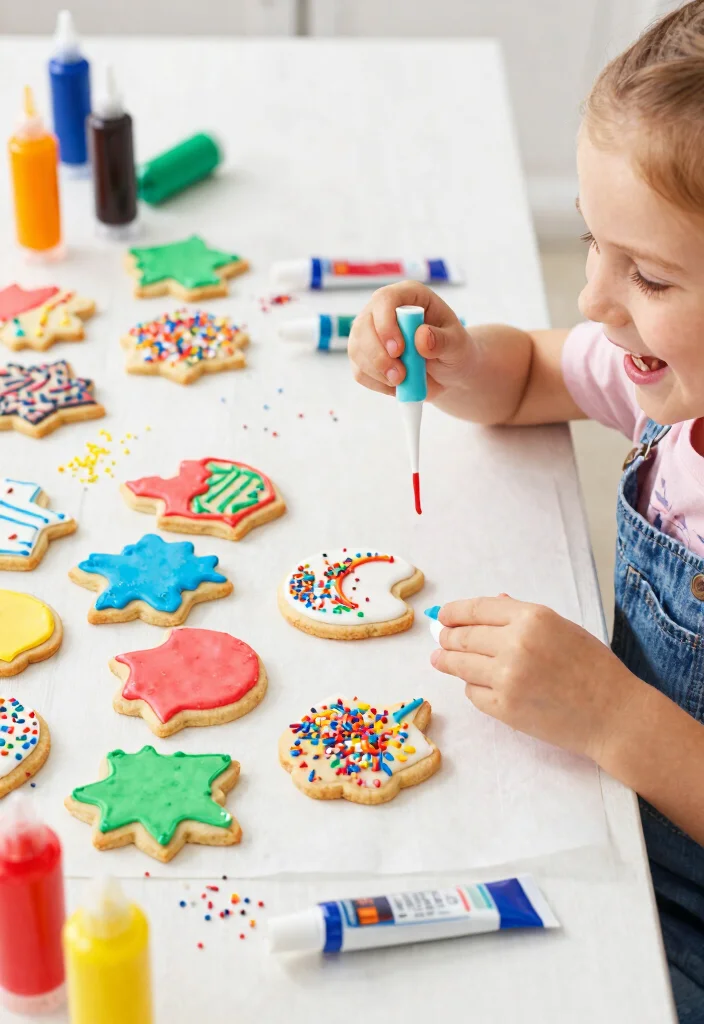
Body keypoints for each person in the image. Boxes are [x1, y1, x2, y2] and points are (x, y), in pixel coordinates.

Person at [349, 2, 704, 1018]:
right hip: (609, 826)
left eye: (644, 273)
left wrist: (609, 713)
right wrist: (452, 357)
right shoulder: (665, 380)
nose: (594, 297)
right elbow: (534, 374)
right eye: (594, 245)